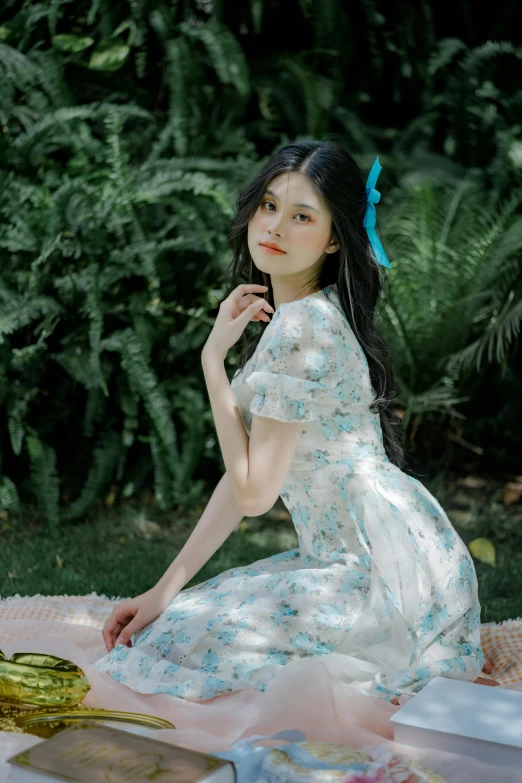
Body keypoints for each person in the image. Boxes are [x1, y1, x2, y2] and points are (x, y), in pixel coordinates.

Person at [93, 140, 496, 704]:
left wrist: (212, 360)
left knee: (187, 648)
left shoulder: (301, 328)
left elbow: (255, 494)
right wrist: (164, 588)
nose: (275, 227)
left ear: (334, 238)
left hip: (378, 577)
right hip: (394, 563)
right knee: (175, 627)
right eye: (269, 205)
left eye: (301, 215)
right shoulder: (312, 314)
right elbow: (242, 484)